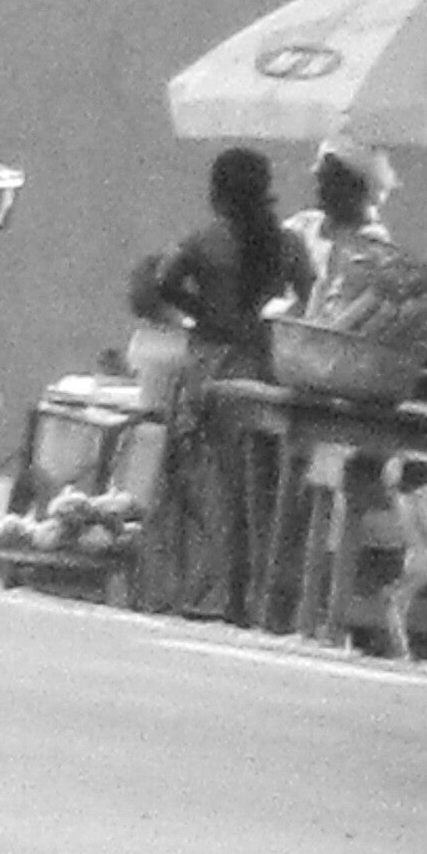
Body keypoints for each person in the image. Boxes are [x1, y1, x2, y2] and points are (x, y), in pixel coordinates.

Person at [135, 146, 314, 619]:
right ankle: (259, 601)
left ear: (217, 195)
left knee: (207, 486)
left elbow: (160, 283)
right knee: (262, 489)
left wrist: (203, 314)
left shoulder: (203, 242)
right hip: (266, 371)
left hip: (211, 371)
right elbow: (313, 296)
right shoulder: (289, 245)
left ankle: (205, 594)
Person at [284, 133, 395, 291]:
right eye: (320, 180)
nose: (321, 189)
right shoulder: (300, 226)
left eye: (333, 183)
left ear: (360, 188)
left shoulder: (374, 246)